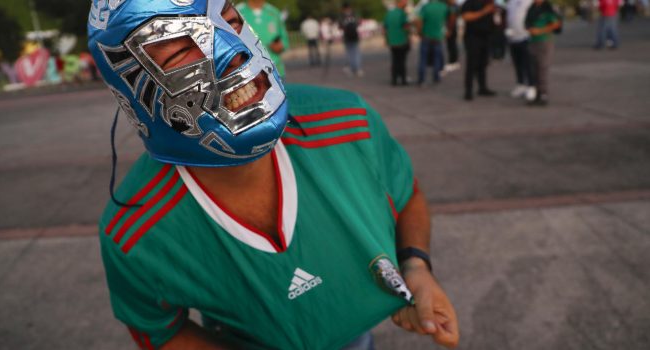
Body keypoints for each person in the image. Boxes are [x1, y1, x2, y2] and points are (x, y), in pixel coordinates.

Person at [87, 0, 460, 349]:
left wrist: (415, 266)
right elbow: (158, 329)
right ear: (131, 91)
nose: (233, 52)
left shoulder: (349, 122)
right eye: (183, 50)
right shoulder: (135, 232)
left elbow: (404, 192)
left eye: (231, 22)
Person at [237, 0, 290, 77]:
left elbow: (284, 40)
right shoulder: (237, 12)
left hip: (275, 72)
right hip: (247, 74)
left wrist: (280, 46)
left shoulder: (274, 12)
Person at [525, 0, 561, 106]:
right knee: (533, 69)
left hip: (544, 41)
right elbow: (526, 22)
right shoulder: (532, 8)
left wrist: (541, 30)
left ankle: (543, 94)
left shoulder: (547, 8)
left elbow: (556, 24)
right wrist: (530, 29)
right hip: (532, 41)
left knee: (542, 68)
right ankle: (537, 93)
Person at [461, 0, 497, 101]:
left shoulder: (489, 2)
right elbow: (466, 16)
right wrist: (484, 12)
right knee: (472, 64)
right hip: (473, 38)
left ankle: (482, 87)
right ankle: (468, 90)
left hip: (486, 37)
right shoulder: (470, 3)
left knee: (483, 64)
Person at [415, 0, 454, 86]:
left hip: (426, 36)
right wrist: (449, 30)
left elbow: (418, 20)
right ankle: (436, 77)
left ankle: (421, 79)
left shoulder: (425, 7)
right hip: (438, 37)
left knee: (423, 59)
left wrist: (419, 32)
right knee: (437, 58)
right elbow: (452, 17)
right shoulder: (444, 7)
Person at [506, 0, 536, 101]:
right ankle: (521, 84)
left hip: (525, 36)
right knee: (517, 63)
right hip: (513, 36)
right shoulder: (511, 2)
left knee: (528, 63)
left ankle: (531, 85)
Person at [384, 0, 411, 86]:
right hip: (402, 40)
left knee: (395, 60)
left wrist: (387, 39)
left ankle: (394, 79)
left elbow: (385, 28)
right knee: (402, 61)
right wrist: (409, 37)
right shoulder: (402, 14)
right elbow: (406, 27)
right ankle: (403, 79)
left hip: (392, 41)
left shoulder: (389, 13)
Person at [339, 2, 364, 77]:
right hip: (355, 36)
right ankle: (358, 68)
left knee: (349, 54)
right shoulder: (354, 15)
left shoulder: (342, 16)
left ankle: (351, 68)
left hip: (347, 37)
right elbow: (359, 23)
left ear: (343, 9)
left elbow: (340, 26)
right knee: (356, 53)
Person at [443, 0, 461, 74]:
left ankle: (453, 61)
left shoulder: (453, 7)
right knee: (451, 45)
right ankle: (453, 61)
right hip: (451, 28)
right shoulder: (453, 6)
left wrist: (449, 29)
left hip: (451, 28)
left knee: (452, 45)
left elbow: (453, 18)